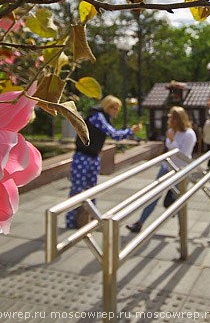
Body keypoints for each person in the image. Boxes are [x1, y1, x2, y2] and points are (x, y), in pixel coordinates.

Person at [66, 95, 141, 228]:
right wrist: (131, 131)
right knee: (77, 190)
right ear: (109, 107)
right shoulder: (97, 116)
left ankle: (91, 220)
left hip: (93, 157)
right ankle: (72, 220)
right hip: (83, 156)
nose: (117, 112)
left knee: (91, 190)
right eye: (116, 109)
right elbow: (113, 134)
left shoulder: (102, 117)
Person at [126, 106, 196, 233]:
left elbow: (183, 154)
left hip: (180, 169)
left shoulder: (189, 134)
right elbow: (169, 148)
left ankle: (182, 230)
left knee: (179, 200)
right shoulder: (172, 131)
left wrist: (172, 141)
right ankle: (140, 222)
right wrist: (171, 140)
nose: (170, 121)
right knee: (153, 195)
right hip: (166, 167)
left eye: (172, 119)